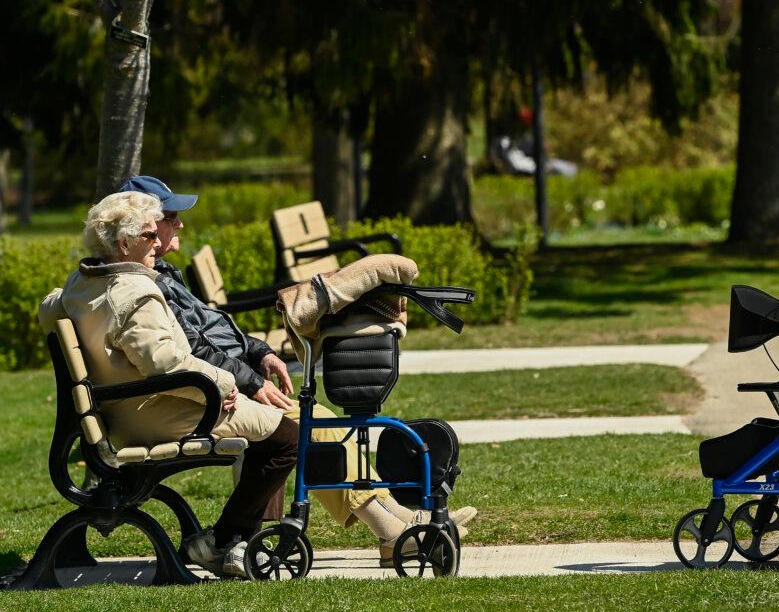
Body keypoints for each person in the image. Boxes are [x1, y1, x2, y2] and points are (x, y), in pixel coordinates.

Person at [116, 176, 476, 566]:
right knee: (308, 426)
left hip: (216, 386)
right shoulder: (148, 287)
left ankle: (394, 521)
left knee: (317, 422)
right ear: (132, 231)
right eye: (168, 217)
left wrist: (260, 352)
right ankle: (392, 527)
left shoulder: (164, 275)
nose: (178, 224)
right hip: (202, 397)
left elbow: (213, 328)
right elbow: (193, 348)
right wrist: (252, 381)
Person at [38, 192, 296, 579]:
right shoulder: (134, 294)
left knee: (277, 428)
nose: (158, 241)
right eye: (148, 234)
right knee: (287, 438)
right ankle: (223, 542)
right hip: (155, 415)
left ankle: (231, 540)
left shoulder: (80, 284)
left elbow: (50, 307)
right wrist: (226, 386)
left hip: (127, 410)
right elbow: (167, 365)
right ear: (124, 244)